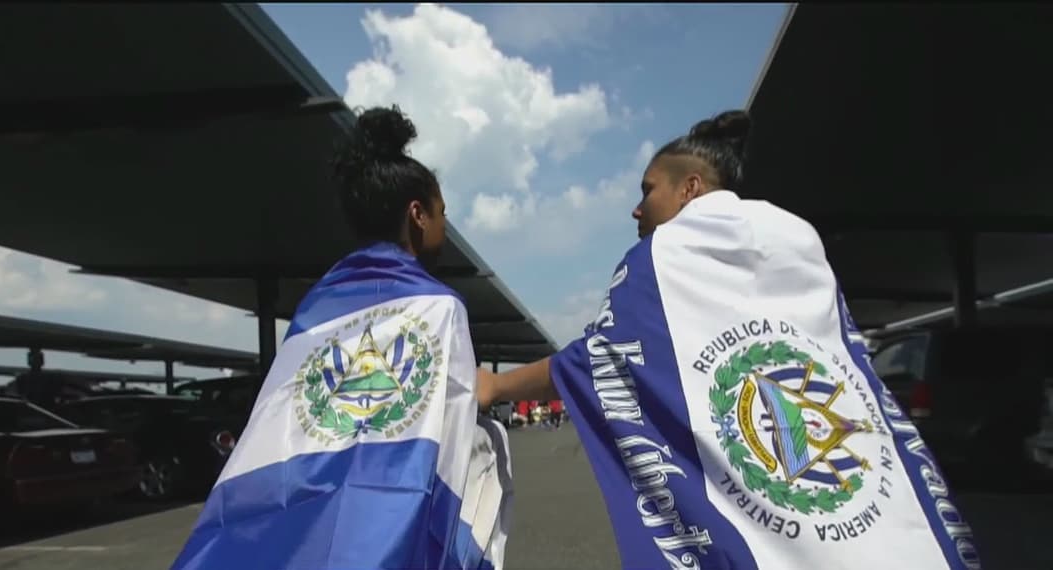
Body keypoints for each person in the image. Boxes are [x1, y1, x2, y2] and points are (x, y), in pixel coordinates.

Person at [477, 110, 980, 569]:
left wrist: (495, 388)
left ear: (689, 188)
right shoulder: (799, 237)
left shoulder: (664, 252)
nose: (636, 209)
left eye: (648, 190)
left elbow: (604, 358)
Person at [171, 105, 513, 570]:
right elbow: (443, 443)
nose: (442, 227)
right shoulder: (437, 307)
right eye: (440, 214)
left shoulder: (316, 306)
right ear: (417, 214)